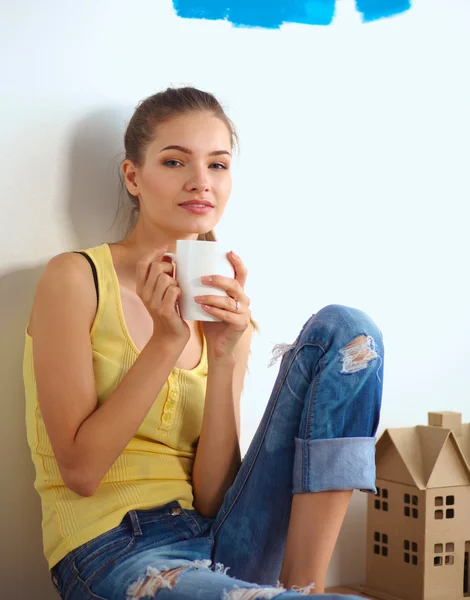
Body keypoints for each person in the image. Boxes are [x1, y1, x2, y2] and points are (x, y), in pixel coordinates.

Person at [24, 86, 384, 600]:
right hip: (116, 553)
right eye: (175, 162)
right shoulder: (76, 279)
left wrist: (222, 356)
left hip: (219, 539)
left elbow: (214, 498)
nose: (200, 182)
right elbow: (80, 472)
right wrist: (166, 343)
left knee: (349, 333)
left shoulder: (222, 312)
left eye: (218, 165)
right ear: (133, 176)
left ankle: (306, 589)